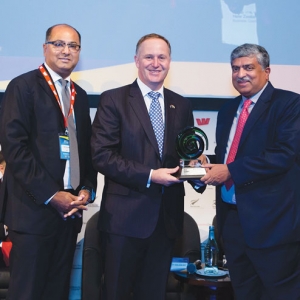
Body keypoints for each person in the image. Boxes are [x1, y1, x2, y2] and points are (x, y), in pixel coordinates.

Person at [91, 33, 205, 300]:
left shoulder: (182, 104)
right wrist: (151, 175)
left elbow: (184, 155)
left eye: (162, 57)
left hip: (166, 223)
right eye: (149, 57)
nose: (156, 63)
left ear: (169, 61)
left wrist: (198, 171)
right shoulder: (113, 100)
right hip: (124, 222)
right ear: (136, 61)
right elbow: (101, 155)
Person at [0, 24, 97, 300]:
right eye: (59, 44)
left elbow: (85, 152)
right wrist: (53, 195)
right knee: (27, 293)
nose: (66, 51)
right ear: (45, 48)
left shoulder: (79, 95)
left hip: (69, 216)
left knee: (57, 292)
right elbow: (14, 149)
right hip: (33, 213)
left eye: (73, 46)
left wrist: (87, 189)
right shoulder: (22, 87)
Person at [201, 43, 300, 299]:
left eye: (248, 67)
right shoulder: (226, 110)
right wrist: (203, 163)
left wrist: (230, 171)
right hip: (232, 224)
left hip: (273, 227)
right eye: (235, 68)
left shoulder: (290, 104)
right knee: (243, 293)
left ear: (267, 71)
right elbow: (229, 156)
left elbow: (283, 154)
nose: (240, 74)